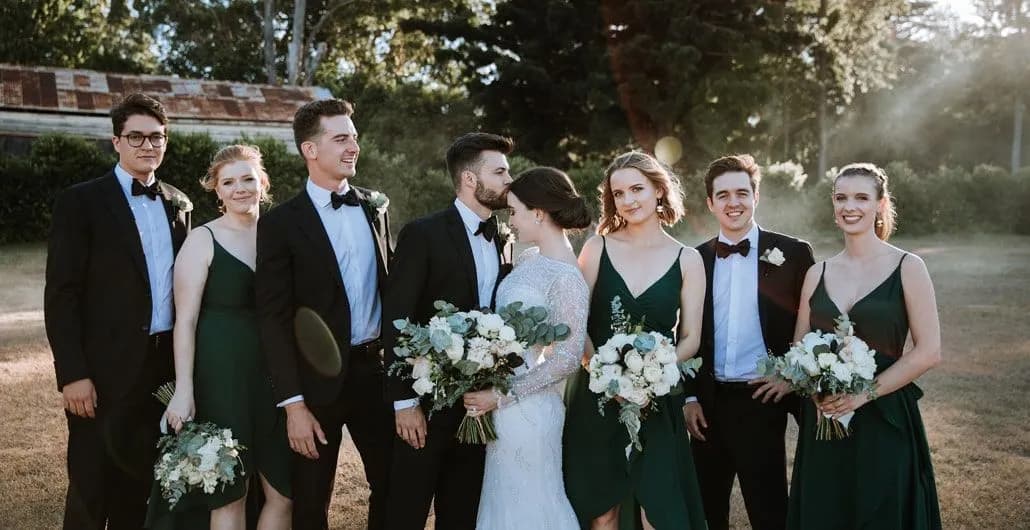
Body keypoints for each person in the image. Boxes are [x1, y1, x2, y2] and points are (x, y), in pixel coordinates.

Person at [44, 93, 190, 529]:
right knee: (90, 489)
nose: (148, 146)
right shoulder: (81, 202)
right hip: (101, 373)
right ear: (116, 141)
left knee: (139, 487)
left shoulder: (179, 204)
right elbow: (62, 294)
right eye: (137, 137)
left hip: (161, 369)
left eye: (157, 137)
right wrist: (73, 373)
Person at [256, 99, 394, 530]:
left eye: (353, 137)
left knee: (392, 486)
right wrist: (293, 405)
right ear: (310, 150)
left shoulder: (375, 207)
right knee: (311, 500)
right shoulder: (279, 224)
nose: (353, 146)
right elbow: (273, 318)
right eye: (340, 138)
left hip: (376, 373)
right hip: (314, 384)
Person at [786, 163, 942, 529]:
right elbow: (799, 345)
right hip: (825, 420)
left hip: (886, 418)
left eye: (861, 197)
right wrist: (816, 389)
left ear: (880, 205)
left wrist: (862, 395)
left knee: (882, 513)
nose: (849, 206)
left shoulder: (908, 266)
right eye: (841, 198)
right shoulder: (817, 273)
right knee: (827, 512)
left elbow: (929, 350)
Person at [146, 145, 292, 529]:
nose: (240, 188)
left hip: (275, 374)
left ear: (262, 183)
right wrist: (183, 389)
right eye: (229, 182)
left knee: (285, 491)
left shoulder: (282, 235)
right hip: (221, 375)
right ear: (217, 190)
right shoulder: (202, 240)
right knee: (230, 488)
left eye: (247, 179)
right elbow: (186, 321)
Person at [563, 151, 707, 530]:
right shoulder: (596, 248)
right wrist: (606, 377)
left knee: (657, 509)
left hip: (658, 399)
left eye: (637, 189)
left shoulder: (688, 259)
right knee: (602, 511)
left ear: (659, 190)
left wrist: (653, 377)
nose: (628, 200)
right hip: (596, 397)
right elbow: (578, 325)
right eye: (619, 193)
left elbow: (691, 337)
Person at [383, 132, 515, 530]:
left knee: (462, 514)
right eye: (500, 171)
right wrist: (404, 402)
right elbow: (397, 320)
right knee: (406, 510)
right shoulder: (423, 234)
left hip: (479, 407)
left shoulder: (505, 238)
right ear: (471, 180)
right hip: (427, 404)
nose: (510, 179)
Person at [681, 155, 814, 530]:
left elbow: (813, 325)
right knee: (707, 509)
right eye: (722, 195)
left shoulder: (793, 254)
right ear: (710, 203)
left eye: (742, 192)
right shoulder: (695, 259)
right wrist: (689, 397)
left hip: (763, 399)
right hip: (708, 402)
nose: (733, 202)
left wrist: (792, 376)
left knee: (769, 507)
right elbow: (686, 333)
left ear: (757, 197)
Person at [461, 167, 591, 530]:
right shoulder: (529, 260)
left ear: (538, 212)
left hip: (528, 406)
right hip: (500, 401)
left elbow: (567, 358)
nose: (511, 221)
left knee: (532, 506)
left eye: (515, 211)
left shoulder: (567, 278)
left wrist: (500, 396)